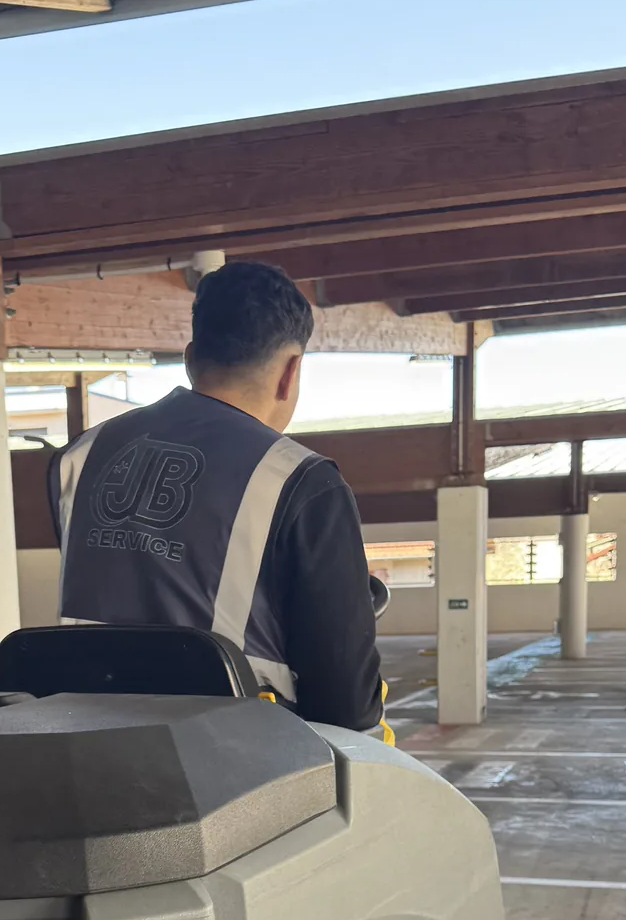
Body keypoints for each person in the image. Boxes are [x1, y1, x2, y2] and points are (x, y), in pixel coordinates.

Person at [47, 259, 386, 732]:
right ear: (291, 372)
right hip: (240, 771)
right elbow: (345, 704)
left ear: (189, 359)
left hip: (88, 751)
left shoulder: (79, 457)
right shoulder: (302, 480)